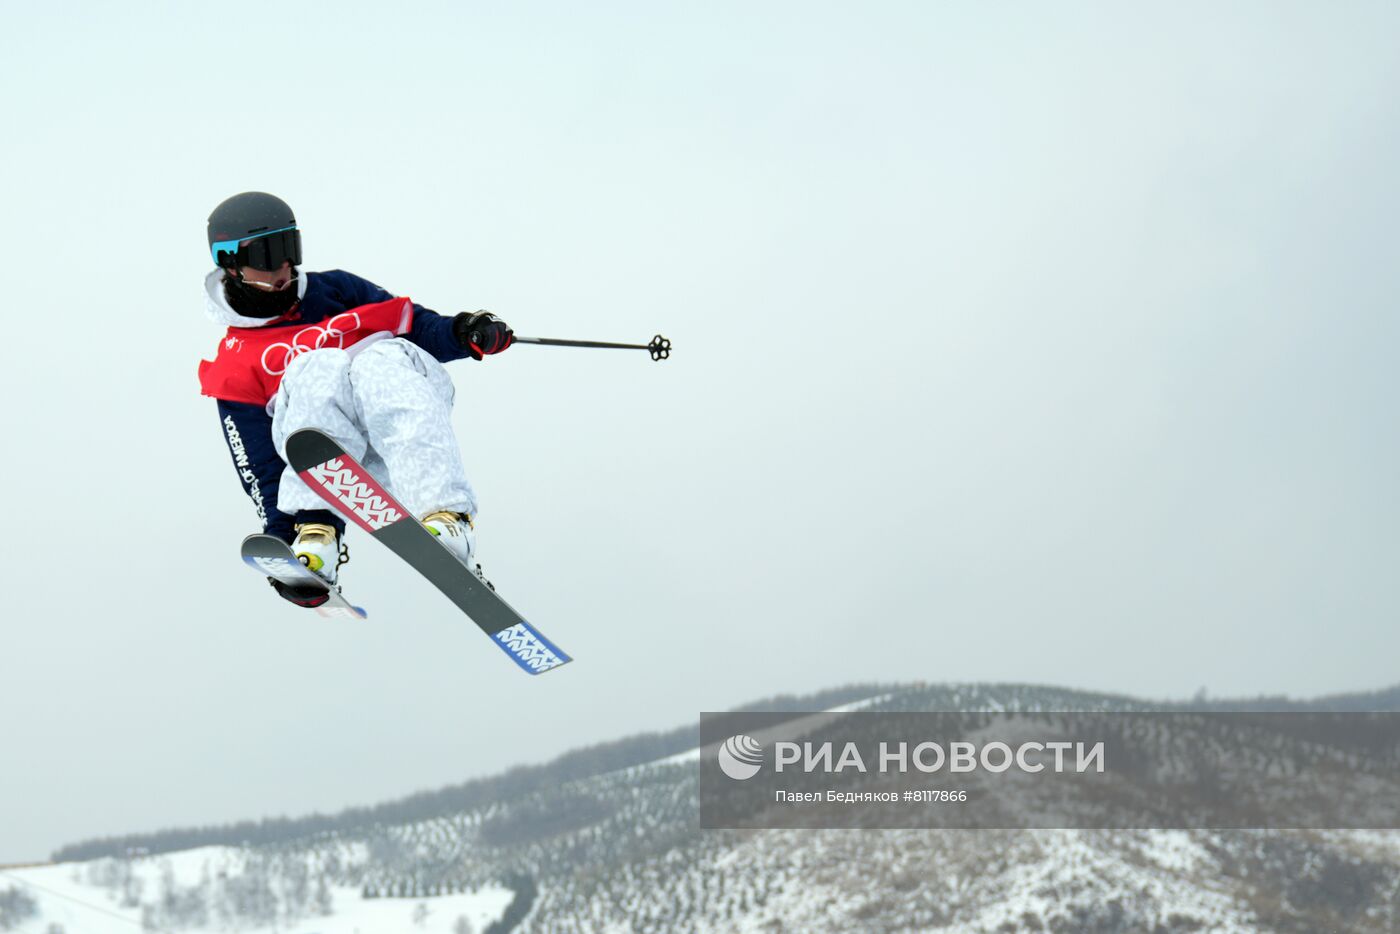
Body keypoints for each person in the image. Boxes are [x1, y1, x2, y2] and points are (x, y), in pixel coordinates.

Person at [198, 192, 513, 607]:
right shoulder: (237, 363)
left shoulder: (337, 291)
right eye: (267, 253)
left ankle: (447, 519)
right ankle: (316, 537)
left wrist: (464, 332)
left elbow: (417, 324)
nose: (284, 266)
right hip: (333, 458)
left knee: (378, 357)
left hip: (402, 426)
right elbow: (258, 463)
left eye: (289, 248)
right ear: (231, 263)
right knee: (314, 369)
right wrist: (280, 539)